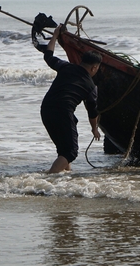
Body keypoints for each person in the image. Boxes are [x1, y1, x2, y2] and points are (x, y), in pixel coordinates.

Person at [40, 24, 102, 173]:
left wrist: (55, 36)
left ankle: (64, 180)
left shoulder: (65, 66)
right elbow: (92, 111)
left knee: (63, 150)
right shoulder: (90, 85)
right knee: (71, 152)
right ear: (94, 67)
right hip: (62, 111)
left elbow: (48, 56)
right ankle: (47, 180)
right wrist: (94, 129)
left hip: (46, 109)